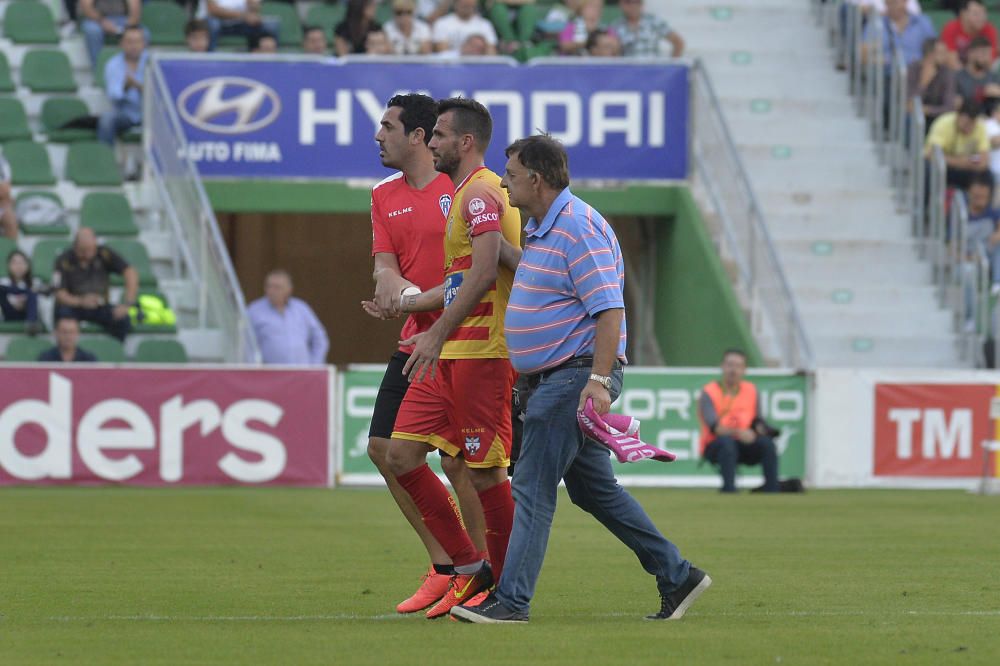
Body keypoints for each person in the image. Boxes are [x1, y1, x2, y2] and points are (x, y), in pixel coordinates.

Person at [451, 135, 709, 624]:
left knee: (530, 486)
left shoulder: (578, 226)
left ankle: (512, 602)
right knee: (592, 491)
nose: (503, 180)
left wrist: (598, 380)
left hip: (572, 377)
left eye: (510, 172)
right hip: (554, 377)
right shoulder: (543, 227)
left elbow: (609, 308)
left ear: (537, 178)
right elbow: (547, 282)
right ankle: (678, 575)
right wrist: (499, 248)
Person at [382, 98, 521, 619]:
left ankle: (506, 590)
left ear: (465, 142)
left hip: (480, 351)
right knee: (400, 456)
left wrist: (435, 332)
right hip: (449, 352)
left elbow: (485, 271)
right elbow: (472, 272)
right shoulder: (465, 194)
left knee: (486, 474)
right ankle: (467, 565)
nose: (430, 142)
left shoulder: (483, 191)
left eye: (438, 134)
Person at [360, 94, 488, 616]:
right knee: (383, 449)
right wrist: (390, 286)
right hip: (416, 340)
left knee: (460, 465)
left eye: (387, 126)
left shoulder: (458, 189)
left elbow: (471, 277)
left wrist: (410, 298)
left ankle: (478, 573)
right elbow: (383, 265)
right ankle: (447, 565)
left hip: (465, 342)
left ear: (417, 136)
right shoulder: (382, 195)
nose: (378, 136)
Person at [698, 349, 780, 494]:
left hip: (745, 443)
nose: (733, 370)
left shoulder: (751, 390)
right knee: (727, 444)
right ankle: (729, 489)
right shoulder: (709, 392)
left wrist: (762, 431)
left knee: (767, 444)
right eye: (730, 365)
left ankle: (772, 489)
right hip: (716, 445)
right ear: (722, 366)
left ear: (744, 369)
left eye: (738, 366)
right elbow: (714, 427)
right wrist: (739, 433)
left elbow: (757, 420)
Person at [52, 227, 137, 342]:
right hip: (74, 306)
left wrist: (127, 303)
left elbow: (130, 272)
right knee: (63, 317)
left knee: (123, 319)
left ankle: (115, 352)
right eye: (83, 250)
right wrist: (81, 301)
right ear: (75, 246)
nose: (87, 254)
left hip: (99, 306)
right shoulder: (63, 260)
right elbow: (59, 292)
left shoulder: (104, 254)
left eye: (91, 250)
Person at [247, 269, 329, 365]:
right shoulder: (254, 311)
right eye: (268, 286)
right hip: (271, 373)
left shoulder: (301, 309)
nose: (271, 291)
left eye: (277, 287)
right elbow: (245, 345)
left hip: (302, 373)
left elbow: (319, 338)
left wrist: (315, 365)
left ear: (288, 289)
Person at [925, 100, 991, 189]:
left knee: (987, 177)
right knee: (929, 168)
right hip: (944, 168)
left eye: (972, 124)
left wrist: (969, 161)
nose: (969, 128)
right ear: (958, 116)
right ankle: (927, 202)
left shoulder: (980, 126)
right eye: (966, 123)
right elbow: (931, 154)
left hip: (966, 168)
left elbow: (984, 161)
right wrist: (961, 161)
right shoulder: (943, 123)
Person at [99, 26, 147, 147]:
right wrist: (125, 87)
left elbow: (161, 94)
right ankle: (106, 161)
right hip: (126, 114)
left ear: (144, 44)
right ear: (121, 44)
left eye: (137, 41)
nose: (134, 46)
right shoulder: (113, 64)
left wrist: (140, 87)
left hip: (150, 113)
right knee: (107, 119)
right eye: (129, 41)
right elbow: (113, 95)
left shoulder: (152, 61)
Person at [861, 0, 936, 68]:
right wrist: (882, 60)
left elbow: (933, 48)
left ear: (905, 2)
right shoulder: (876, 23)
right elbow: (863, 55)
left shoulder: (922, 22)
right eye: (887, 3)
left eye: (894, 3)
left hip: (918, 73)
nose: (890, 7)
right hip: (885, 75)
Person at [908, 38, 956, 129]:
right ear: (930, 55)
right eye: (942, 53)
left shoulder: (946, 73)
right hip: (914, 120)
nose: (946, 56)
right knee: (910, 120)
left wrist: (927, 110)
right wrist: (923, 84)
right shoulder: (913, 70)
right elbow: (909, 106)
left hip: (937, 119)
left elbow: (949, 107)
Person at [79, 0, 143, 67]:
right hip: (96, 19)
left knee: (143, 34)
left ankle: (135, 72)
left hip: (123, 19)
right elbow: (86, 7)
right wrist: (102, 21)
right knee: (93, 31)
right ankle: (99, 70)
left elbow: (135, 11)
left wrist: (127, 29)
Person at [613, 0, 684, 57]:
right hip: (629, 72)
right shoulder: (616, 26)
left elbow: (678, 42)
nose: (633, 5)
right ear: (620, 4)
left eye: (637, 2)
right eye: (628, 2)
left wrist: (671, 67)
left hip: (653, 71)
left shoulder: (654, 21)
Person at [201, 0, 279, 52]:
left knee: (271, 25)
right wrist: (244, 16)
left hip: (240, 23)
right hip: (214, 22)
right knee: (213, 24)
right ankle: (208, 59)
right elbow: (213, 10)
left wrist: (253, 6)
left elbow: (254, 12)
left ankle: (258, 61)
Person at [941, 0, 999, 67]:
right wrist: (967, 75)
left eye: (984, 13)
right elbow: (951, 60)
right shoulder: (951, 28)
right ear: (963, 14)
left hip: (981, 69)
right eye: (976, 14)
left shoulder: (989, 29)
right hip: (957, 71)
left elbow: (991, 58)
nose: (981, 17)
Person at [432, 0, 498, 54]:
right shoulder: (442, 23)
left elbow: (491, 53)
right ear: (455, 4)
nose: (467, 5)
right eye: (464, 5)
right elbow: (443, 53)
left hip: (478, 66)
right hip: (451, 67)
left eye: (470, 5)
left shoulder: (485, 24)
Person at [0, 250, 42, 334]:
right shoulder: (3, 282)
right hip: (9, 313)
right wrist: (15, 302)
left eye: (22, 262)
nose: (18, 266)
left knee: (33, 291)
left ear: (28, 265)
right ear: (9, 265)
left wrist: (25, 300)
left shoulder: (35, 281)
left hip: (28, 314)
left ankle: (31, 325)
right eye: (14, 263)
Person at [956, 36, 1000, 106]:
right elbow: (956, 103)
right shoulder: (958, 78)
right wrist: (981, 93)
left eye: (988, 54)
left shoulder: (994, 78)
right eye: (983, 53)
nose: (986, 57)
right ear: (971, 53)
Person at [0, 154, 16, 240]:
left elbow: (5, 190)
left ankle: (12, 252)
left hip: (2, 205)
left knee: (10, 219)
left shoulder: (1, 161)